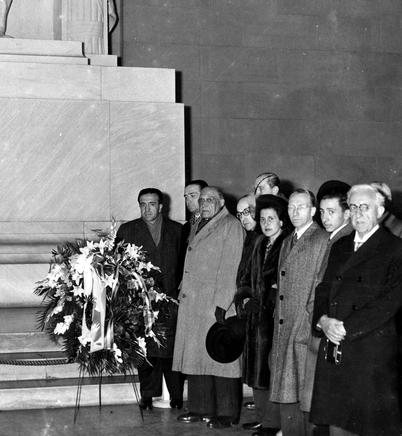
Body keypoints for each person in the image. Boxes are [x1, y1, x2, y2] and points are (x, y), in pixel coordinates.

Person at [310, 184, 402, 436]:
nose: (358, 214)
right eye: (353, 207)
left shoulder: (395, 249)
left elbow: (390, 301)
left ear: (380, 211)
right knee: (338, 425)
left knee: (370, 426)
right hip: (335, 347)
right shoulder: (340, 247)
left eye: (365, 207)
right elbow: (323, 290)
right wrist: (322, 320)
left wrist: (345, 328)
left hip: (370, 351)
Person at [174, 186, 244, 429]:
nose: (204, 204)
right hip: (194, 302)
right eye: (201, 200)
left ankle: (227, 412)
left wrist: (222, 306)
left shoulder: (231, 225)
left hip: (215, 304)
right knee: (197, 357)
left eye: (210, 200)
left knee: (220, 358)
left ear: (222, 202)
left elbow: (230, 268)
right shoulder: (198, 224)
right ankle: (200, 407)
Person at [115, 188, 183, 410]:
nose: (147, 209)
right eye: (142, 204)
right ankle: (147, 394)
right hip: (140, 300)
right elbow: (118, 265)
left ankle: (176, 395)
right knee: (145, 349)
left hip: (171, 297)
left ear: (161, 206)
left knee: (171, 349)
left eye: (152, 204)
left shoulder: (178, 230)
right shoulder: (128, 230)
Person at [268, 189, 328, 436]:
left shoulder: (321, 239)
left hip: (303, 325)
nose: (294, 212)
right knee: (287, 386)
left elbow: (320, 285)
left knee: (305, 390)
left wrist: (309, 321)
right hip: (284, 325)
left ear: (313, 211)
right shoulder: (288, 239)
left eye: (301, 207)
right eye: (291, 207)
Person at [299, 182, 352, 431]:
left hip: (330, 333)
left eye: (331, 212)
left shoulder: (346, 241)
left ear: (347, 213)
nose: (325, 217)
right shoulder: (333, 238)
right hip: (320, 327)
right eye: (321, 211)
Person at [238, 195, 291, 435]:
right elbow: (245, 276)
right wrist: (246, 296)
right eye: (262, 219)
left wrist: (268, 300)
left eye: (271, 219)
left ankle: (273, 423)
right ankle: (262, 417)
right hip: (255, 318)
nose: (266, 223)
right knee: (256, 370)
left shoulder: (287, 244)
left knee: (271, 370)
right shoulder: (259, 243)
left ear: (281, 221)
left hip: (274, 318)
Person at [177, 180, 208, 283]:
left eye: (192, 196)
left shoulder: (215, 224)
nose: (188, 200)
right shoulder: (186, 227)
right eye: (186, 197)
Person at [235, 194, 259, 307]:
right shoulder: (248, 237)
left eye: (246, 212)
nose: (243, 219)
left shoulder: (265, 238)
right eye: (239, 215)